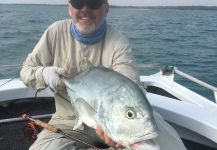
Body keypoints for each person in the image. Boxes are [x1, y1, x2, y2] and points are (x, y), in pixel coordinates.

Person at [20, 0, 186, 150]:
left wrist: (115, 125)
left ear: (106, 8)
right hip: (67, 120)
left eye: (93, 2)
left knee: (170, 145)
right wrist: (43, 73)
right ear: (70, 8)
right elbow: (26, 71)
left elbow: (128, 87)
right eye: (78, 2)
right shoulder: (55, 32)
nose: (85, 9)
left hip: (112, 119)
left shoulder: (118, 43)